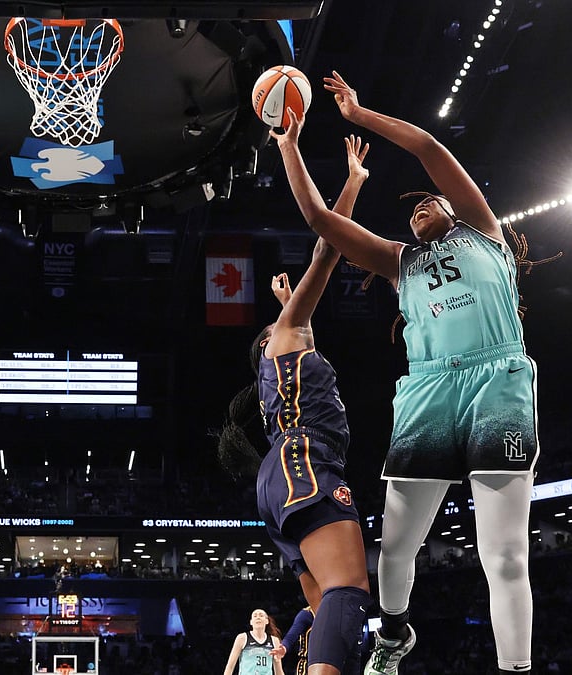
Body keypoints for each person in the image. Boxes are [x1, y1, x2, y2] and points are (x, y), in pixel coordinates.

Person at [269, 70, 547, 674]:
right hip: (427, 390)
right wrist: (289, 144)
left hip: (496, 382)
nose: (423, 204)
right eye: (417, 206)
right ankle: (394, 635)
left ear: (461, 213)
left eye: (432, 201)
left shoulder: (486, 237)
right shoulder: (399, 262)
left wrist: (360, 114)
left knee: (503, 556)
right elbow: (320, 220)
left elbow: (428, 149)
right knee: (394, 550)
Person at [216, 134, 372, 675]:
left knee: (323, 603)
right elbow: (328, 248)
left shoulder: (283, 357)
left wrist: (287, 308)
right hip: (304, 461)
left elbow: (304, 325)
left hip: (279, 476)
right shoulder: (286, 337)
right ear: (273, 335)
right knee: (349, 586)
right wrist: (352, 182)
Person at [222, 608, 285, 675]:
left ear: (267, 621)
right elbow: (230, 666)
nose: (258, 617)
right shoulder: (242, 638)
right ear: (251, 622)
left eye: (261, 615)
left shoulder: (274, 640)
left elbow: (278, 670)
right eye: (255, 616)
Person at [277, 605, 316, 675]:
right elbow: (291, 635)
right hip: (309, 665)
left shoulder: (337, 613)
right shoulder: (307, 614)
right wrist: (284, 647)